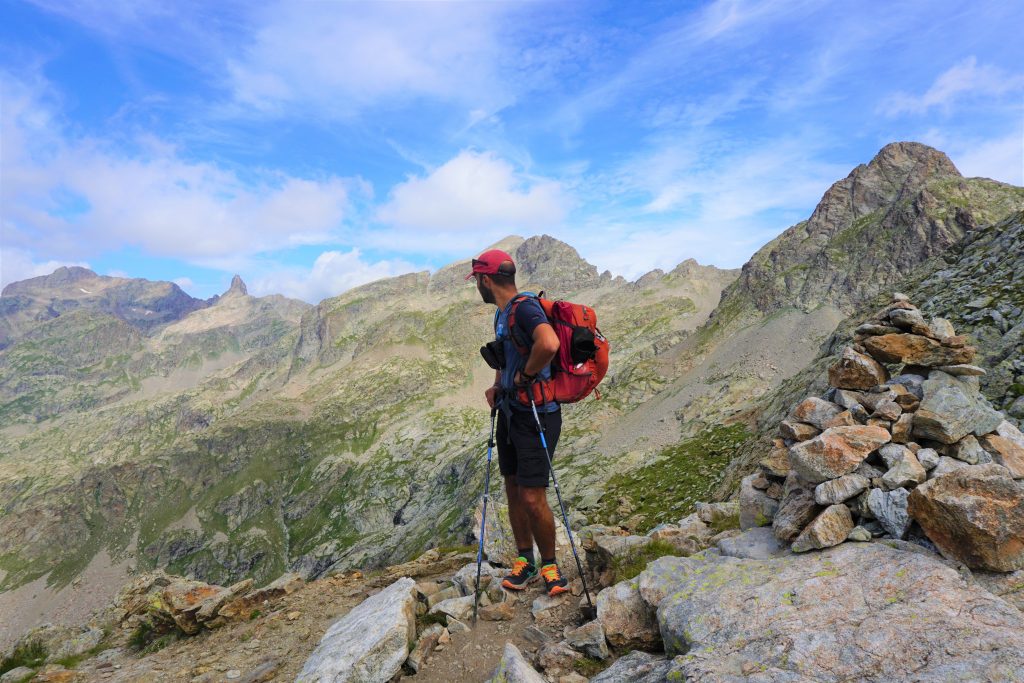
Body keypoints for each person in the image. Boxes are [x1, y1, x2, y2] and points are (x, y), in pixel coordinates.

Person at [466, 248, 569, 597]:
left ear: (485, 279)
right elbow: (503, 353)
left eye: (476, 281)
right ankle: (524, 559)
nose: (476, 287)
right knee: (512, 488)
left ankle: (550, 566)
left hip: (535, 415)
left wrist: (525, 375)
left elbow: (549, 343)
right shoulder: (502, 313)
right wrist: (498, 386)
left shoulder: (524, 308)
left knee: (531, 494)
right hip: (510, 410)